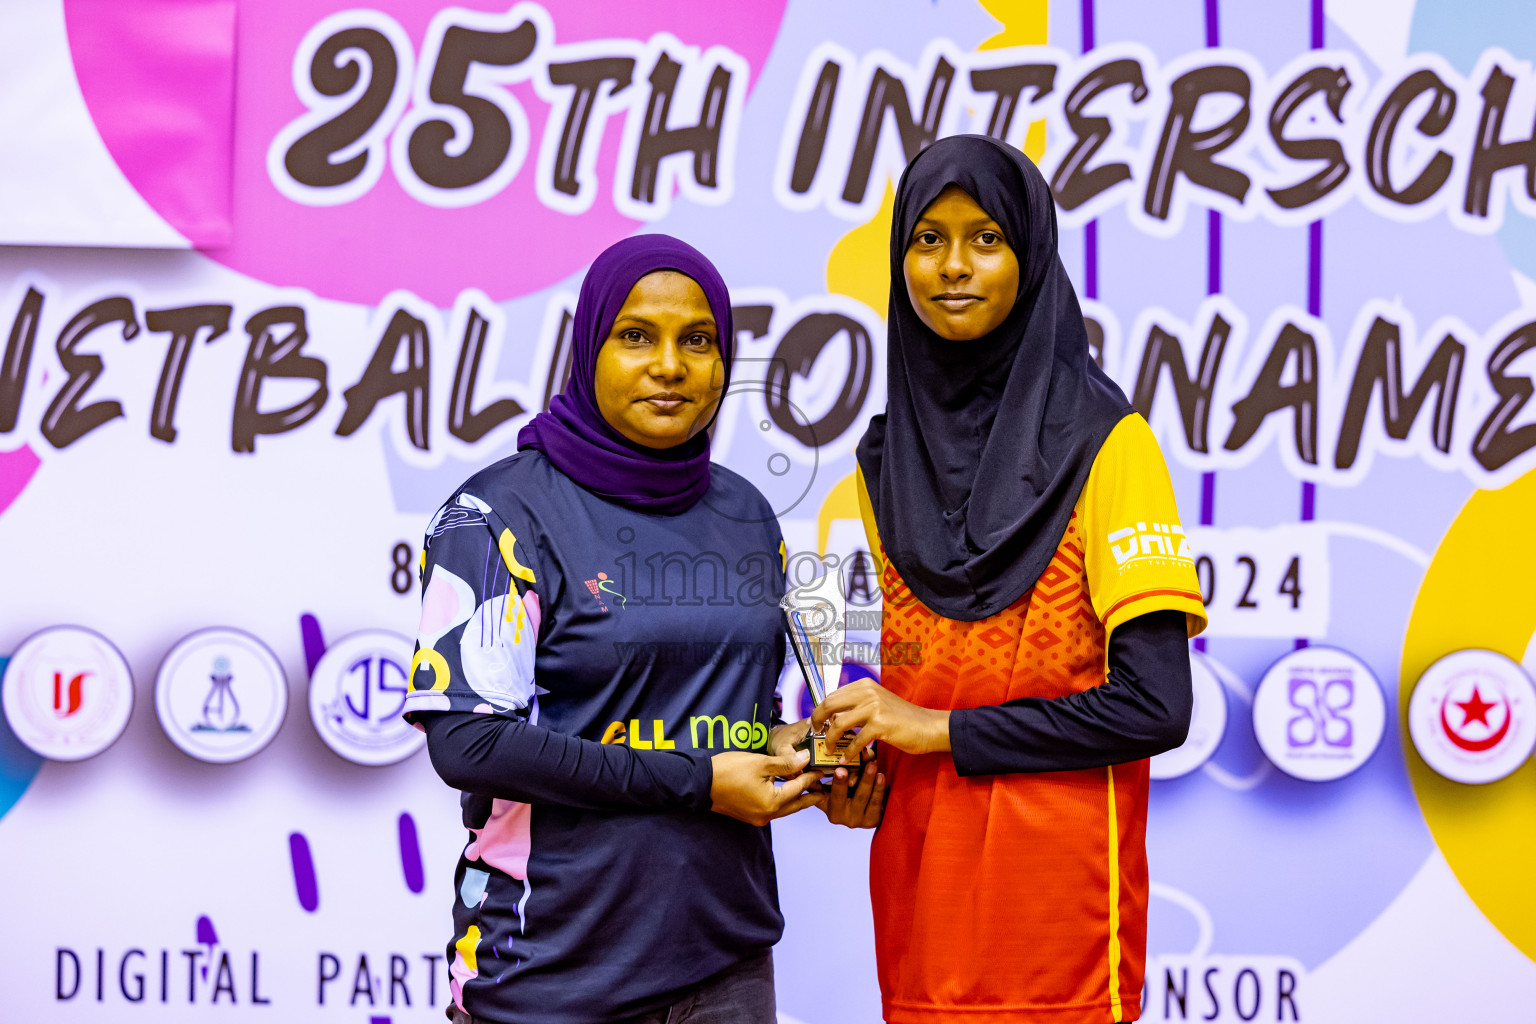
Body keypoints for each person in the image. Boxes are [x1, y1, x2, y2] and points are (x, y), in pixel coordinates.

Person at [401, 235, 876, 1024]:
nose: (670, 364)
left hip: (727, 962)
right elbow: (470, 744)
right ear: (588, 349)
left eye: (698, 340)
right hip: (550, 972)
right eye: (636, 336)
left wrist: (807, 762)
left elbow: (728, 727)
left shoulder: (748, 514)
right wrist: (699, 784)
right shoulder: (496, 515)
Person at [813, 135, 1209, 1024]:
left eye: (986, 238)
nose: (953, 267)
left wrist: (934, 729)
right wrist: (853, 763)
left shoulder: (1111, 445)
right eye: (927, 239)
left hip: (1060, 933)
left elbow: (1155, 707)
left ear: (1031, 259)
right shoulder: (879, 466)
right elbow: (897, 683)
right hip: (919, 919)